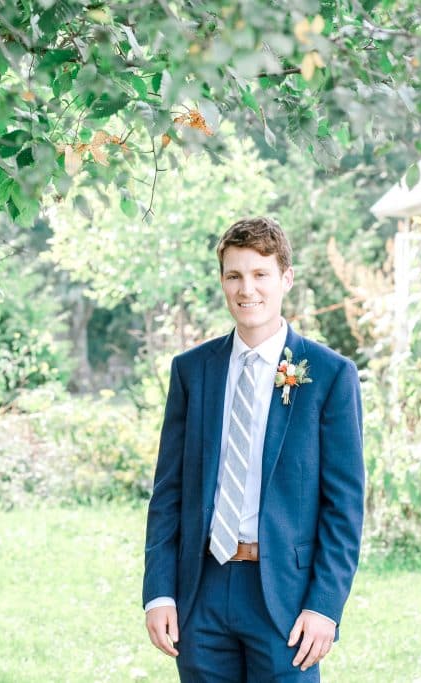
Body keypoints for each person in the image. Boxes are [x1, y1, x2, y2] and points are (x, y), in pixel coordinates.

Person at [143, 217, 365, 682]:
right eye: (234, 275)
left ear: (285, 278)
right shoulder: (192, 371)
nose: (247, 289)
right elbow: (169, 491)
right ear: (222, 281)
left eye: (260, 274)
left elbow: (343, 506)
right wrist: (160, 592)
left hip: (284, 597)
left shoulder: (328, 375)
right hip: (200, 592)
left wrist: (325, 606)